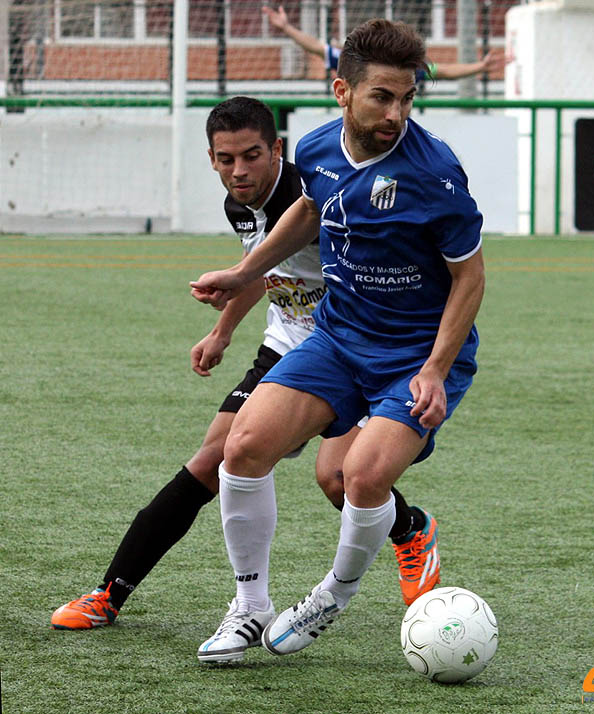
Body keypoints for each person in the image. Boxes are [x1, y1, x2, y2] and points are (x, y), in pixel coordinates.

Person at [50, 96, 440, 642]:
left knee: (337, 480)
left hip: (347, 345)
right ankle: (109, 595)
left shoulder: (320, 193)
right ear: (210, 158)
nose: (239, 171)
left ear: (276, 149)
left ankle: (410, 528)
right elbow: (261, 268)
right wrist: (224, 330)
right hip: (285, 344)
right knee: (216, 458)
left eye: (252, 155)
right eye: (225, 159)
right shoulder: (240, 203)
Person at [191, 19, 484, 658]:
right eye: (382, 96)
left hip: (413, 354)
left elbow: (470, 278)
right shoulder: (320, 148)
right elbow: (308, 209)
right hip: (338, 337)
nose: (397, 112)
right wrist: (245, 271)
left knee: (359, 477)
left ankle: (332, 597)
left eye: (407, 98)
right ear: (342, 91)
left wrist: (434, 369)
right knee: (240, 446)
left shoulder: (435, 173)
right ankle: (249, 608)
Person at [262, 4, 510, 83]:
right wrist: (286, 28)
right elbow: (316, 47)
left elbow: (443, 70)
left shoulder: (408, 69)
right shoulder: (351, 61)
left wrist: (479, 67)